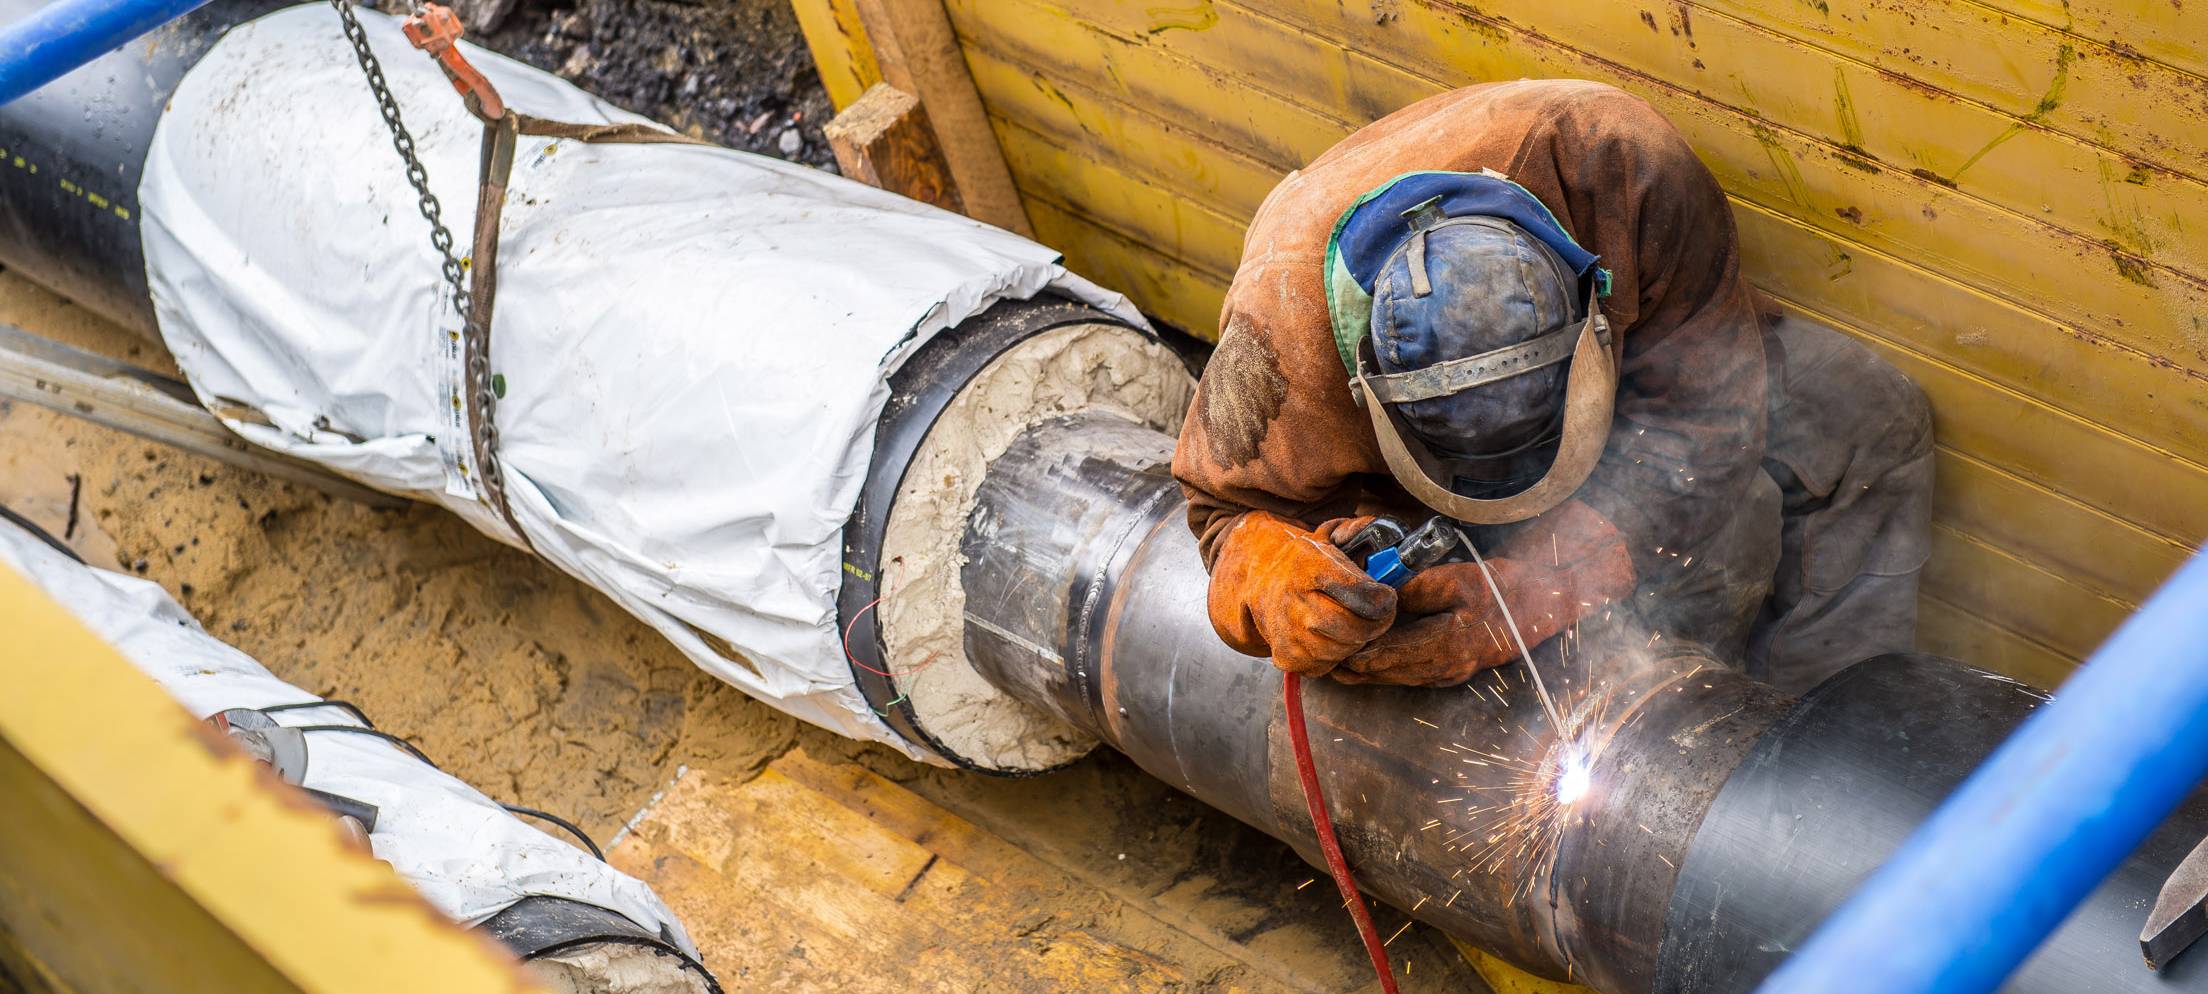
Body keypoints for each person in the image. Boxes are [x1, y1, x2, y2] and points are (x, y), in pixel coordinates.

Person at [1172, 80, 1933, 695]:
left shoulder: (1623, 170)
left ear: (1591, 310)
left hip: (1650, 359)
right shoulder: (1279, 336)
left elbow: (1708, 421)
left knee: (1868, 414)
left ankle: (1829, 734)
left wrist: (1540, 590)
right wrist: (1269, 575)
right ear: (1366, 390)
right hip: (1409, 498)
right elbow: (1219, 507)